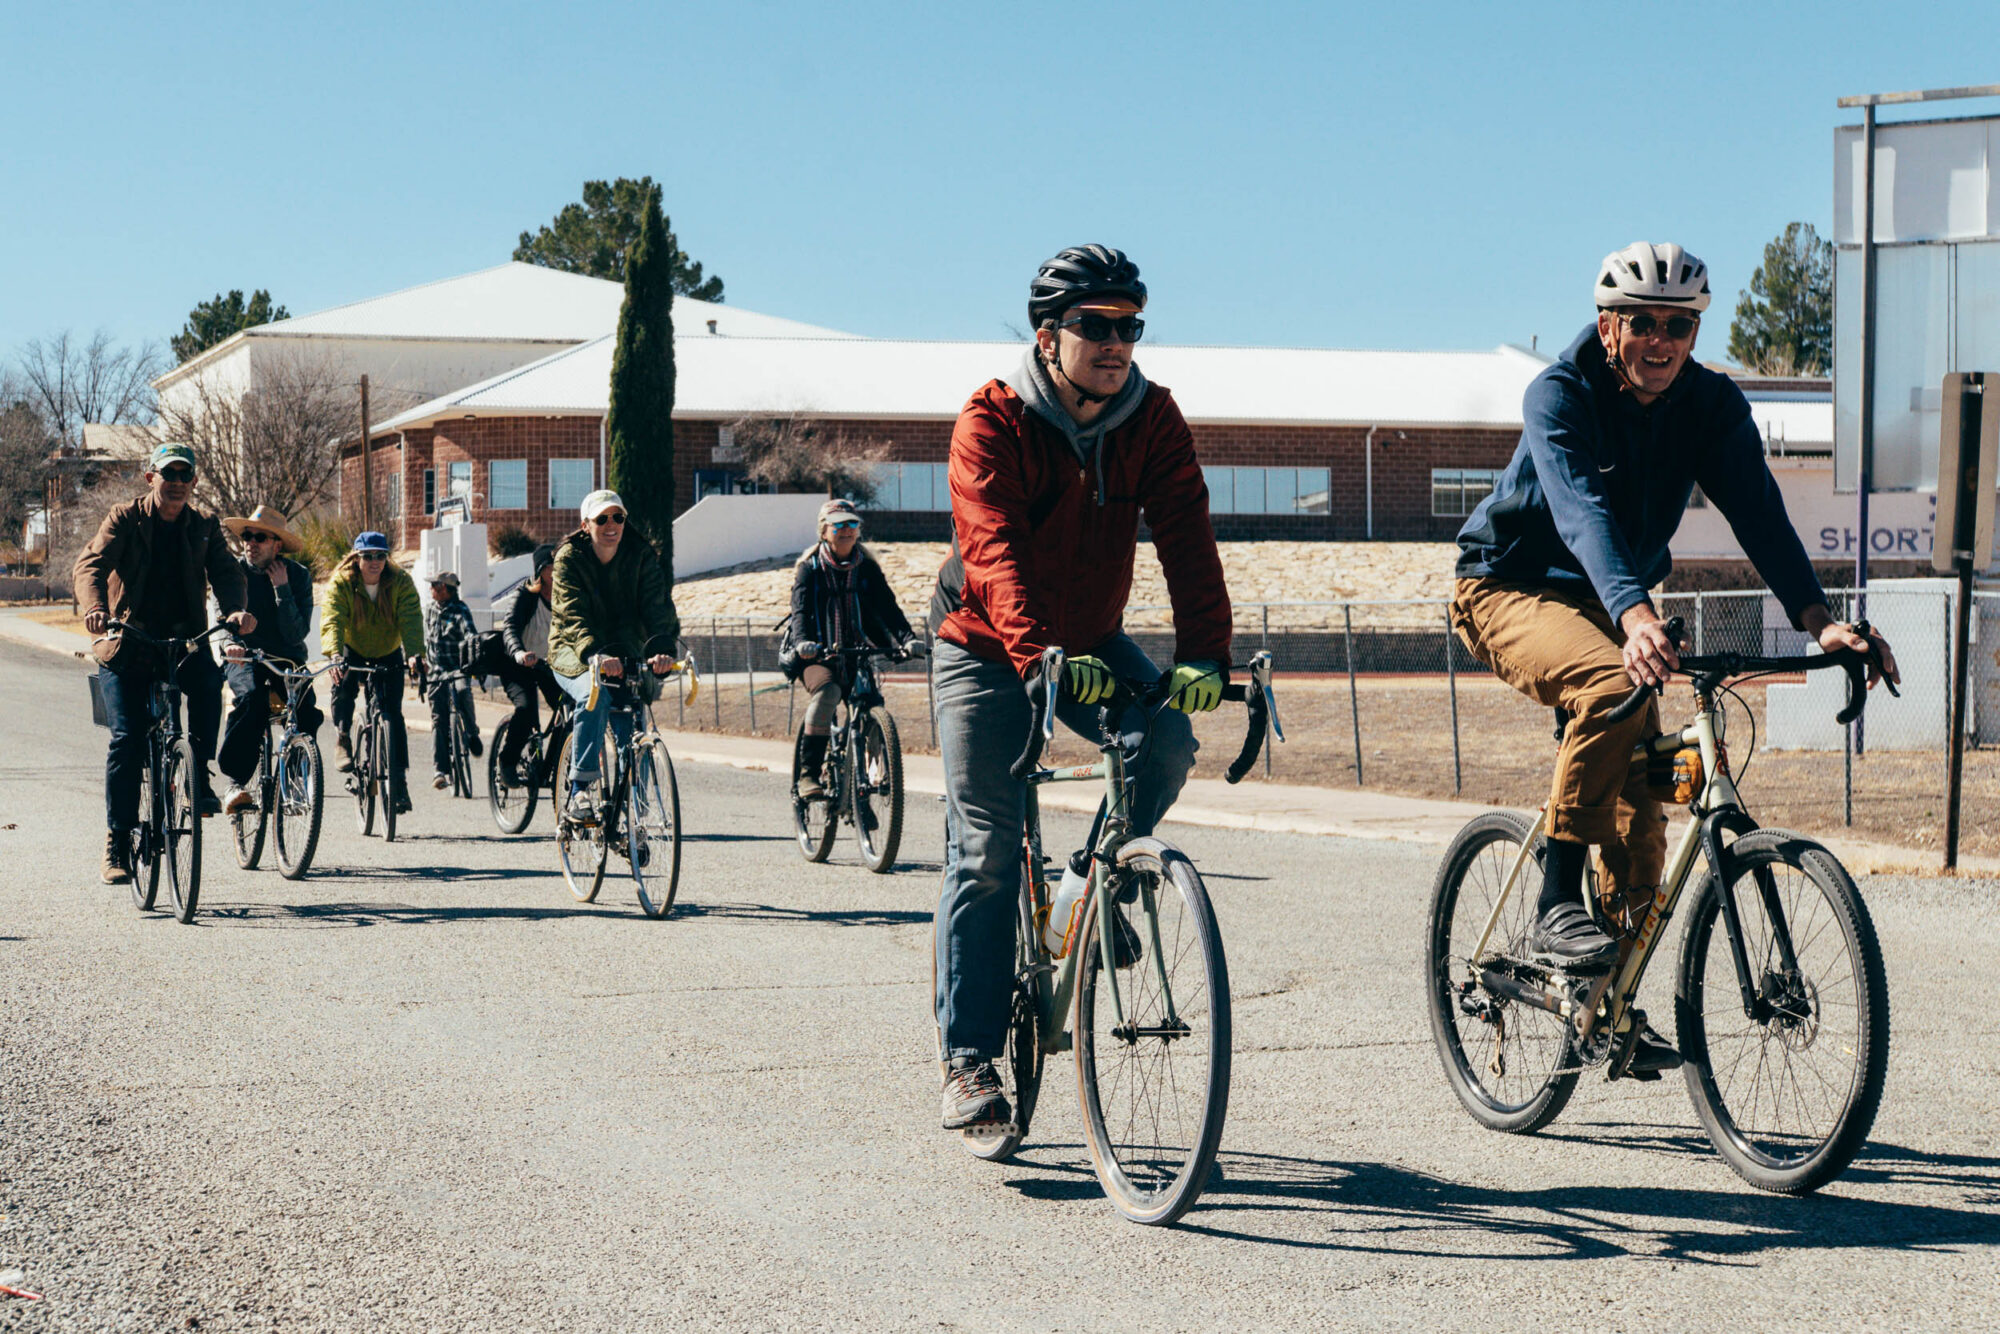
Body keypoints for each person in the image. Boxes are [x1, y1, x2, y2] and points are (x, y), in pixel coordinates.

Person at [1452, 241, 1900, 1075]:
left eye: (1679, 327)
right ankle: (1555, 903)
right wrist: (1634, 612)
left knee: (1649, 803)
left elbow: (1761, 518)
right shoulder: (1559, 393)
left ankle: (1605, 1002)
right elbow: (1581, 511)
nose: (1660, 342)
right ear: (1607, 325)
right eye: (1643, 324)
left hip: (1617, 606)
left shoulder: (1710, 406)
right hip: (1510, 587)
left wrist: (1821, 620)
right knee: (1610, 687)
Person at [929, 245, 1233, 1130]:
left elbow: (1187, 537)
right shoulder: (990, 420)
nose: (1117, 343)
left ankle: (1083, 892)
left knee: (1168, 737)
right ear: (1048, 335)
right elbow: (991, 550)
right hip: (986, 643)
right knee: (984, 849)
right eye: (1097, 328)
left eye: (1130, 327)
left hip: (1092, 636)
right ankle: (970, 1059)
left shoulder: (1155, 418)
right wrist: (1033, 657)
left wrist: (1205, 656)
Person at [76, 443, 254, 883]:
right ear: (150, 477)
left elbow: (228, 574)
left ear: (193, 482)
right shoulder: (124, 518)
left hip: (182, 641)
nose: (175, 482)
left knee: (211, 686)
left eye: (184, 475)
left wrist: (234, 609)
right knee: (126, 739)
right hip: (128, 641)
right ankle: (117, 838)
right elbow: (92, 565)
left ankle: (198, 774)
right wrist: (97, 609)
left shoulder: (205, 526)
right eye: (167, 473)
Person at [548, 490, 680, 822]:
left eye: (618, 517)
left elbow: (657, 606)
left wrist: (662, 648)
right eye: (602, 519)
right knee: (595, 696)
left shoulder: (640, 554)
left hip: (622, 650)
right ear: (585, 524)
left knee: (631, 724)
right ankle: (579, 790)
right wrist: (593, 652)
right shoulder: (568, 558)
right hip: (573, 649)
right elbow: (570, 614)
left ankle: (635, 819)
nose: (611, 525)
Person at [779, 498, 924, 799]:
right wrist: (804, 644)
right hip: (817, 654)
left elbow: (888, 608)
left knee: (872, 704)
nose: (846, 530)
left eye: (852, 524)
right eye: (839, 525)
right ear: (824, 530)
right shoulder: (810, 569)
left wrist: (908, 638)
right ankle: (808, 776)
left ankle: (866, 786)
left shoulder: (867, 568)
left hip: (858, 650)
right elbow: (800, 613)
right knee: (829, 693)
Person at [216, 505, 321, 815]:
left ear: (277, 545)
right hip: (243, 657)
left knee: (307, 710)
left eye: (259, 537)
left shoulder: (298, 576)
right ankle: (236, 782)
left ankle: (295, 783)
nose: (251, 542)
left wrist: (282, 590)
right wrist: (229, 646)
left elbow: (296, 634)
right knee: (251, 700)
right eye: (247, 536)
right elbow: (218, 615)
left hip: (286, 658)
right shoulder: (234, 572)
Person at [321, 531, 425, 815]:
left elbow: (411, 617)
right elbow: (332, 617)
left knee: (392, 713)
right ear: (357, 558)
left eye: (381, 555)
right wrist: (333, 653)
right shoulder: (343, 583)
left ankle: (399, 783)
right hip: (352, 648)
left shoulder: (400, 581)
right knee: (343, 687)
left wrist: (416, 653)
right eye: (368, 556)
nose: (375, 561)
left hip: (388, 651)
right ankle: (343, 736)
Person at [495, 543, 566, 787]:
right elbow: (510, 627)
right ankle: (507, 762)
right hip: (516, 664)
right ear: (540, 570)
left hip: (549, 665)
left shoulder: (566, 596)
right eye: (552, 566)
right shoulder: (525, 594)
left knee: (569, 709)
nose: (557, 570)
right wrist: (518, 652)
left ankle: (550, 768)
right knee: (526, 710)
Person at [421, 569, 484, 790]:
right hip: (436, 673)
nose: (431, 590)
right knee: (438, 719)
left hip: (457, 668)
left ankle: (472, 733)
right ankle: (441, 770)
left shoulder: (460, 610)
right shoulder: (428, 610)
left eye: (436, 586)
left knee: (462, 691)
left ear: (446, 590)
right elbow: (423, 640)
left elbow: (470, 633)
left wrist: (473, 651)